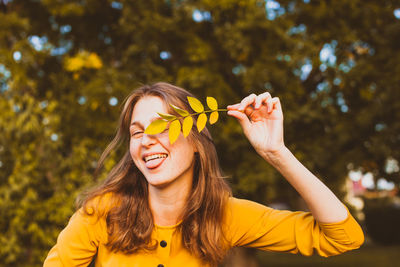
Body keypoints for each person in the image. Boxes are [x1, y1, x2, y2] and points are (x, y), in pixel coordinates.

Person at [43, 82, 364, 267]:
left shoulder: (226, 215)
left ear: (197, 141)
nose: (147, 140)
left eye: (162, 126)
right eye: (136, 132)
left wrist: (276, 152)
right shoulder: (101, 213)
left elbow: (342, 237)